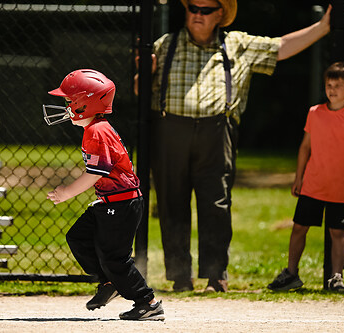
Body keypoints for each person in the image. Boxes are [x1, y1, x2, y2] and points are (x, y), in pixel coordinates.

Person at [135, 0, 332, 292]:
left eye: (204, 10)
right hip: (170, 129)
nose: (196, 15)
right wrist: (145, 73)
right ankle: (179, 276)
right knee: (171, 202)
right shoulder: (167, 44)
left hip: (218, 131)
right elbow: (140, 90)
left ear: (220, 14)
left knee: (216, 202)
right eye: (192, 8)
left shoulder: (237, 44)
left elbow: (280, 48)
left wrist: (323, 27)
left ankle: (216, 276)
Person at [44, 69, 165, 321]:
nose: (66, 107)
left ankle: (147, 302)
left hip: (122, 204)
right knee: (78, 237)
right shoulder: (95, 129)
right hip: (112, 202)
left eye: (70, 101)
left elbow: (96, 172)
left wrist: (67, 192)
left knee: (115, 258)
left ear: (85, 104)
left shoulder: (97, 131)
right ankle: (109, 282)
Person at [267, 62, 344, 292]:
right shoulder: (315, 112)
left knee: (338, 232)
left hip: (340, 187)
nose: (332, 90)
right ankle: (291, 274)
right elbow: (305, 147)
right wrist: (299, 177)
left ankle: (336, 277)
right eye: (328, 85)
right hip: (313, 183)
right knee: (299, 227)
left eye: (338, 85)